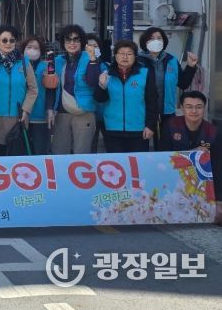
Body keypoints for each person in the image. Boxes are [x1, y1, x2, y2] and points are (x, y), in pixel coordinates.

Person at [159, 91, 222, 220]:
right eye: (189, 107)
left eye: (199, 107)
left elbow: (218, 167)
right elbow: (162, 158)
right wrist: (194, 153)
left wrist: (219, 200)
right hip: (174, 181)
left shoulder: (213, 131)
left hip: (202, 184)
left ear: (204, 108)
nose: (194, 111)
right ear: (182, 108)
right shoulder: (170, 126)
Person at [0, 25, 38, 156]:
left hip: (19, 117)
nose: (8, 43)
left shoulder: (23, 61)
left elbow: (33, 89)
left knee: (17, 157)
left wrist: (26, 109)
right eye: (4, 40)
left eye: (12, 40)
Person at [138, 27, 198, 150]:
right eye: (151, 38)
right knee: (141, 148)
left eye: (159, 38)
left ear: (164, 41)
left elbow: (183, 83)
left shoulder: (172, 60)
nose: (156, 41)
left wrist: (190, 67)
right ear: (145, 41)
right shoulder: (137, 61)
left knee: (165, 148)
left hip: (166, 112)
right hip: (142, 112)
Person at [94, 40, 157, 153]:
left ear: (135, 56)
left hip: (138, 129)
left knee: (138, 162)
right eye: (121, 53)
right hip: (113, 129)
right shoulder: (107, 74)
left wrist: (150, 125)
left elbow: (152, 101)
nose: (125, 57)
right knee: (116, 163)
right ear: (115, 56)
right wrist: (102, 86)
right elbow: (99, 99)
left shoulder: (145, 73)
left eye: (129, 53)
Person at [48, 25, 100, 155]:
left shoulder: (89, 58)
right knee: (59, 152)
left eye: (76, 39)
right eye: (68, 40)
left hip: (84, 111)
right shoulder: (57, 61)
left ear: (82, 42)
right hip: (61, 112)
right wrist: (50, 108)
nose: (72, 43)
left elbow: (93, 82)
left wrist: (93, 60)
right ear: (63, 42)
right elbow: (51, 86)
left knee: (81, 153)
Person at [20, 36, 53, 155]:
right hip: (22, 115)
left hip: (40, 116)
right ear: (23, 49)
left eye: (36, 48)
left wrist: (50, 109)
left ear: (41, 51)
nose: (32, 50)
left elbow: (52, 89)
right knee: (23, 152)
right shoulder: (18, 66)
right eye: (29, 47)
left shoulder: (47, 66)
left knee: (40, 151)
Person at [86, 33, 108, 153]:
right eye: (89, 46)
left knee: (109, 146)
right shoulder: (81, 67)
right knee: (90, 146)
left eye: (95, 46)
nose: (92, 49)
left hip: (105, 113)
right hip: (88, 112)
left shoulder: (106, 66)